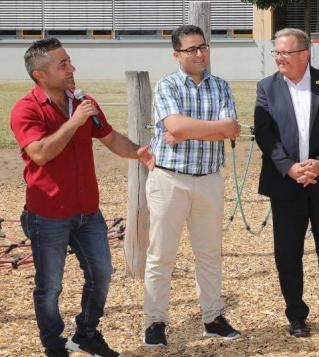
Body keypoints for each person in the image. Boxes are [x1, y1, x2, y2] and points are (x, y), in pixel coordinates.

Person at [10, 38, 154, 357]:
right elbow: (40, 154)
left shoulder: (83, 101)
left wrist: (138, 152)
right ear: (40, 75)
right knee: (50, 287)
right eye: (63, 64)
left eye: (70, 61)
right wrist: (74, 123)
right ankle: (54, 347)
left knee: (101, 274)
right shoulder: (25, 109)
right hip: (47, 215)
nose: (72, 68)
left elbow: (110, 136)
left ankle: (87, 334)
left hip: (88, 212)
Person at [254, 28, 319, 337]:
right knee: (287, 252)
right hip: (285, 185)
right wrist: (289, 168)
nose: (279, 58)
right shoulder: (266, 87)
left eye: (285, 53)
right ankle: (296, 316)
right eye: (276, 53)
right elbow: (264, 133)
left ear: (304, 54)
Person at [142, 25, 241, 347]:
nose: (200, 54)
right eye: (191, 50)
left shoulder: (221, 86)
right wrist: (206, 129)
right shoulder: (167, 86)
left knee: (210, 254)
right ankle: (155, 321)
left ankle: (213, 317)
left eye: (203, 47)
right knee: (161, 256)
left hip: (209, 179)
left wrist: (188, 130)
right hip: (170, 179)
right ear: (177, 55)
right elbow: (174, 126)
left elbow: (231, 129)